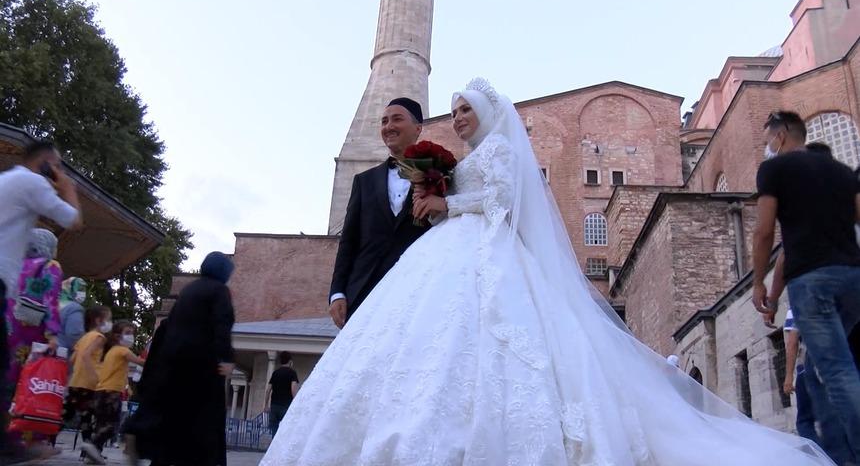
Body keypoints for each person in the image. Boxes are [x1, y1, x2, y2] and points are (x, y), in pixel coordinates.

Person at [261, 79, 832, 465]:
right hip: (446, 255)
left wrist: (446, 205)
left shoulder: (502, 154)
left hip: (483, 251)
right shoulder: (455, 161)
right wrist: (435, 204)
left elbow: (503, 206)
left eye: (466, 110)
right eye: (455, 110)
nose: (459, 117)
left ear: (488, 113)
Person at [753, 111, 860, 463]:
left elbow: (766, 232)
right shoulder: (842, 173)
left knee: (837, 369)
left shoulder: (775, 170)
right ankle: (837, 451)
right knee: (818, 370)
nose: (768, 145)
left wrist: (760, 284)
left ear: (782, 135)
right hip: (852, 277)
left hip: (812, 280)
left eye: (769, 137)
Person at [0, 140, 80, 457]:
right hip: (21, 320)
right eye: (56, 165)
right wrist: (69, 188)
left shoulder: (5, 180)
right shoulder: (32, 181)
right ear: (46, 163)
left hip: (9, 311)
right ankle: (8, 444)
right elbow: (73, 220)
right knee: (8, 374)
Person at [124, 252, 235, 466]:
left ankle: (153, 451)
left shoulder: (188, 290)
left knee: (173, 416)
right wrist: (225, 357)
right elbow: (222, 324)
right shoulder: (219, 291)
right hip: (202, 364)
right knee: (202, 421)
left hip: (172, 363)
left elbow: (167, 326)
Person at [329, 97, 431, 328]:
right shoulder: (363, 181)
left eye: (397, 119)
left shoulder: (439, 174)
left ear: (417, 128)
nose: (388, 126)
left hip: (415, 292)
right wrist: (337, 292)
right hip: (363, 290)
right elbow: (349, 241)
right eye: (384, 121)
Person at [3, 230, 63, 405]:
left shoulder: (14, 263)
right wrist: (52, 333)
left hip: (7, 323)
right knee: (21, 379)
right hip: (30, 329)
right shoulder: (49, 266)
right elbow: (50, 299)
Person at [81, 320, 144, 464]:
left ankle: (92, 454)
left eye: (132, 333)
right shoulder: (123, 350)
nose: (131, 336)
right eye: (128, 333)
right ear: (117, 336)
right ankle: (92, 444)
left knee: (102, 424)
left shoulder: (111, 351)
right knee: (112, 426)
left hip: (101, 392)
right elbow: (139, 361)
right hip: (111, 393)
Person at [64, 306, 112, 447]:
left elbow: (73, 359)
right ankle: (87, 448)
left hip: (75, 382)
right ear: (98, 320)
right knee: (89, 416)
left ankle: (49, 438)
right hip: (89, 384)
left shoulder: (84, 338)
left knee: (69, 412)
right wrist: (96, 377)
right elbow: (86, 355)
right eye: (108, 319)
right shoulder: (99, 337)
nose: (110, 323)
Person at [783, 308, 820, 446]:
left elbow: (792, 344)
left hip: (808, 370)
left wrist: (788, 377)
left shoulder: (797, 308)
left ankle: (821, 456)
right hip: (836, 370)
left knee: (804, 420)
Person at [266, 352, 300, 435]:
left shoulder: (275, 373)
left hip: (274, 406)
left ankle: (273, 447)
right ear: (290, 361)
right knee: (285, 432)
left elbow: (268, 390)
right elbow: (293, 389)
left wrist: (266, 405)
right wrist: (296, 403)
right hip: (286, 406)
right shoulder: (292, 373)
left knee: (274, 431)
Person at [58, 277, 87, 351]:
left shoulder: (53, 305)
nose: (83, 293)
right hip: (64, 354)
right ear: (71, 288)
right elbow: (74, 334)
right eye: (80, 289)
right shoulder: (74, 308)